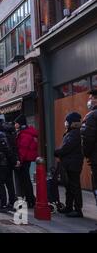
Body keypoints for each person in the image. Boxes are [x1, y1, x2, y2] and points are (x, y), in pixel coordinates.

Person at [54, 112, 84, 218]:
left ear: (72, 122)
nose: (65, 123)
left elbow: (66, 148)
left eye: (67, 121)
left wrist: (56, 152)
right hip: (69, 163)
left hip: (73, 164)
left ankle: (78, 209)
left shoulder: (74, 134)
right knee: (69, 186)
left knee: (74, 186)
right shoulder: (71, 133)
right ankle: (69, 206)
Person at [0, 119, 18, 213]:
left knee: (0, 183)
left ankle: (3, 204)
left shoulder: (1, 134)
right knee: (9, 183)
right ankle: (11, 203)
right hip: (8, 163)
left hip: (2, 163)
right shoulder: (8, 132)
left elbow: (6, 148)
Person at [81, 90, 97, 232]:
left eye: (91, 98)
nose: (90, 101)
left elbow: (87, 138)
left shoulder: (91, 116)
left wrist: (86, 153)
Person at [14, 114, 38, 208]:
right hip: (26, 159)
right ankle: (30, 199)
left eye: (16, 123)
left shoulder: (25, 134)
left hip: (25, 160)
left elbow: (22, 149)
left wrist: (19, 160)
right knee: (25, 180)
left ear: (20, 124)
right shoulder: (25, 132)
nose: (15, 125)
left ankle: (30, 199)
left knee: (25, 180)